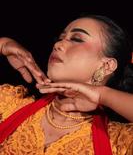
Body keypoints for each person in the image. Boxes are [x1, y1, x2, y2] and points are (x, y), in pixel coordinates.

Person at [0, 14, 133, 154]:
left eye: (76, 39)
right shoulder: (9, 106)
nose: (57, 45)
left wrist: (102, 95)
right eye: (60, 38)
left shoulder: (118, 141)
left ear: (107, 65)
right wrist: (3, 44)